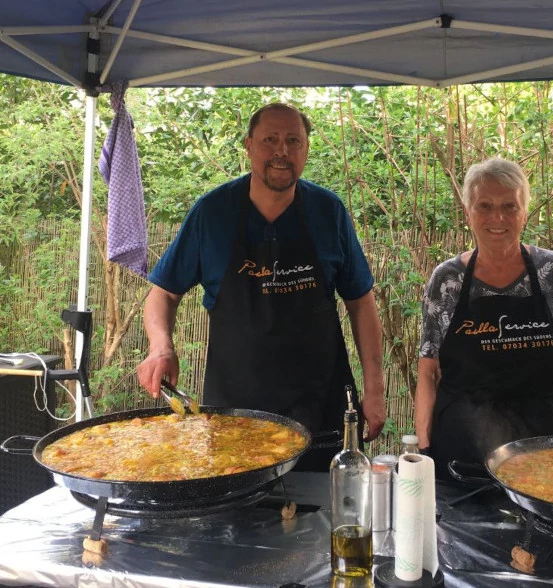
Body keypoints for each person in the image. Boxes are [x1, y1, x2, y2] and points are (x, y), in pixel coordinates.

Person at [137, 102, 386, 470]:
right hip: (234, 411)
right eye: (270, 139)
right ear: (248, 145)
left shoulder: (328, 212)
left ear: (306, 149)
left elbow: (361, 304)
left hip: (320, 407)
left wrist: (375, 389)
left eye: (293, 141)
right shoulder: (212, 212)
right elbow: (164, 293)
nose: (281, 151)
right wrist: (161, 347)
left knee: (326, 519)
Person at [414, 157, 553, 478]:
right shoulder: (447, 281)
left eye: (510, 206)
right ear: (468, 212)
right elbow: (429, 373)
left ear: (525, 212)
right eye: (485, 206)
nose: (498, 217)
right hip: (463, 460)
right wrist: (423, 449)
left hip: (552, 455)